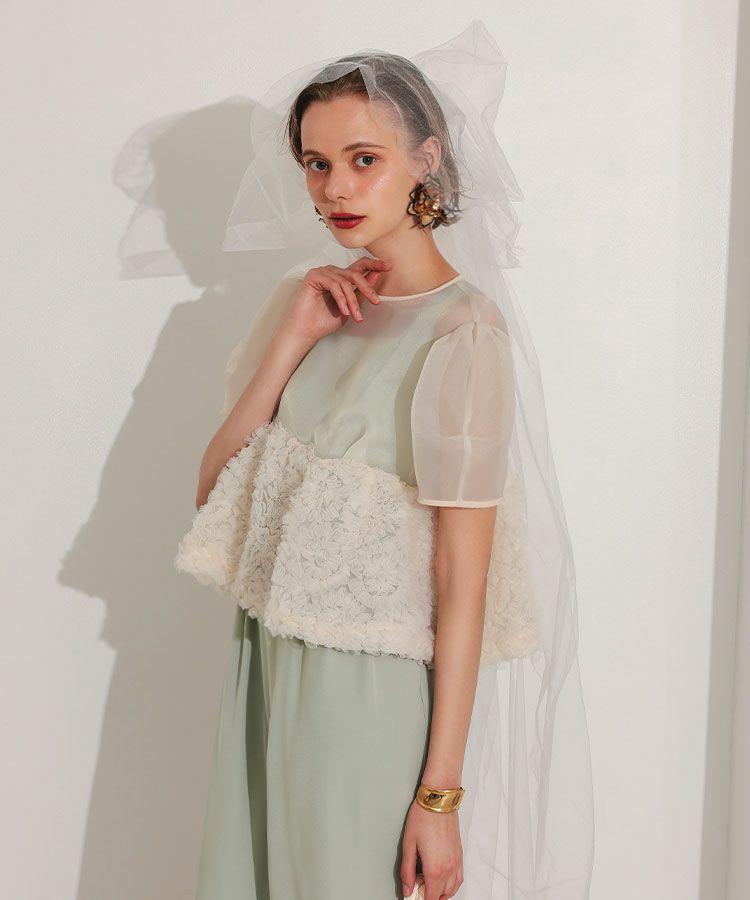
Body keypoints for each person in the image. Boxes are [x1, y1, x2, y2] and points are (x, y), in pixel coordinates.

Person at [172, 20, 595, 900]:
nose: (335, 188)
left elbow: (461, 581)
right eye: (316, 163)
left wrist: (439, 797)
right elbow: (215, 494)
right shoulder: (312, 304)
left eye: (364, 159)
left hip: (363, 700)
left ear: (425, 159)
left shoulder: (462, 331)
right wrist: (293, 339)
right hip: (264, 667)